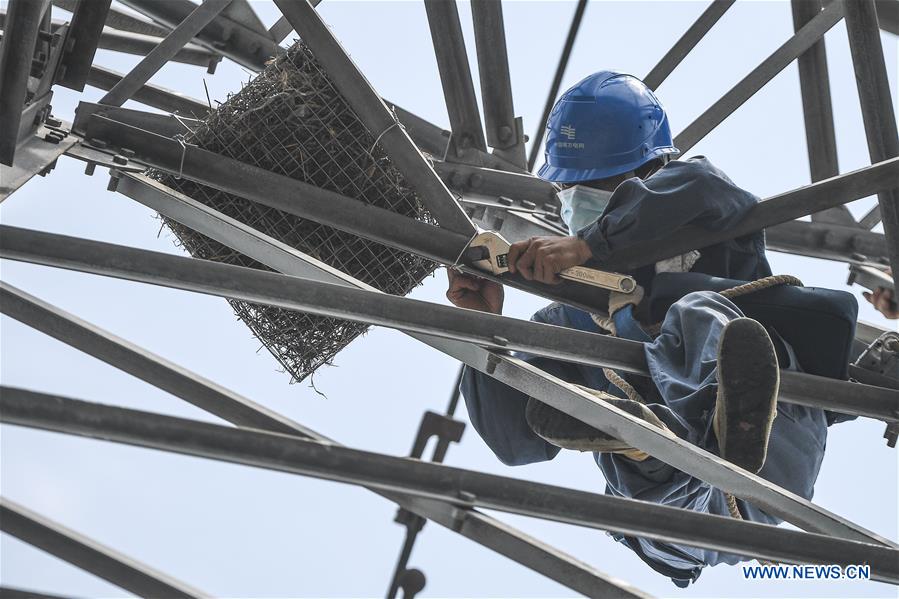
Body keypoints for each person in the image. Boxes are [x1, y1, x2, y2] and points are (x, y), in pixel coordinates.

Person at [446, 71, 838, 586]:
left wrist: (592, 244)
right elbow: (514, 441)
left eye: (598, 186)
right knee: (624, 430)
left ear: (652, 172)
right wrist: (482, 325)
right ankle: (645, 441)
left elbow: (701, 186)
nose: (576, 201)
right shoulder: (570, 319)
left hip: (775, 451)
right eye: (569, 189)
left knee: (698, 312)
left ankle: (721, 423)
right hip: (675, 517)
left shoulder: (706, 215)